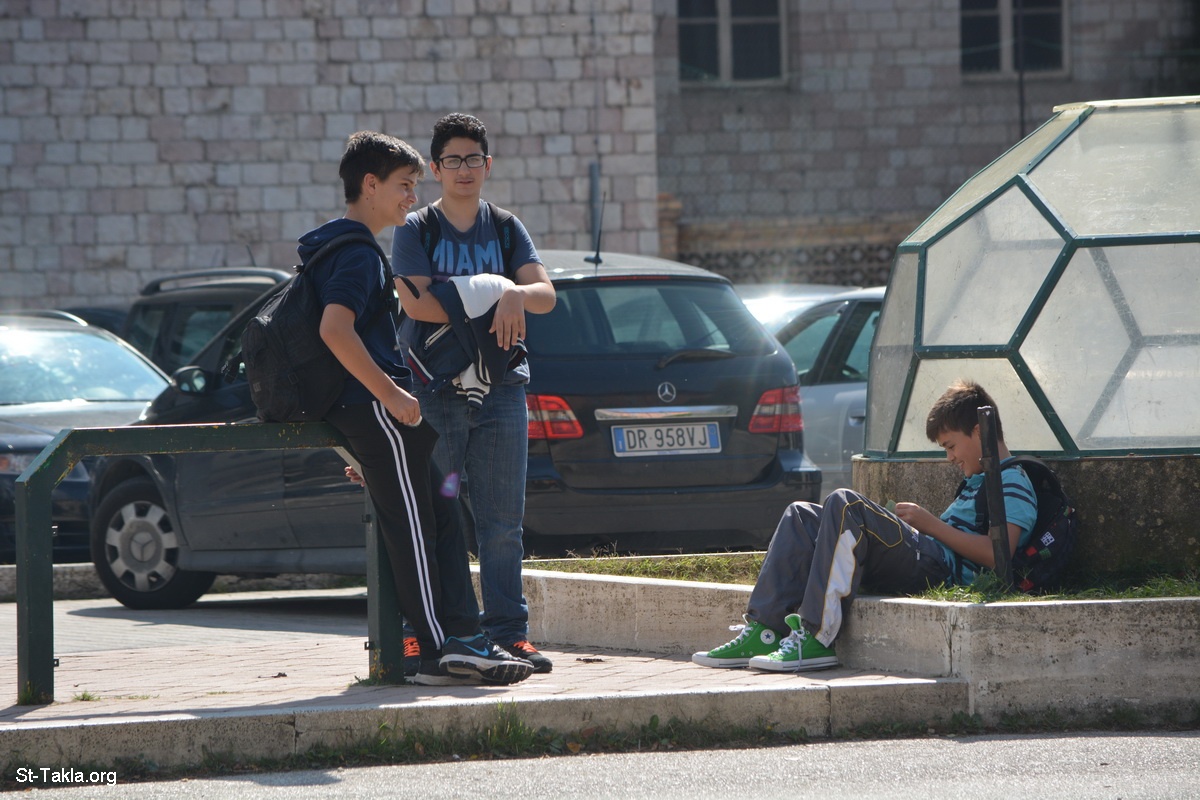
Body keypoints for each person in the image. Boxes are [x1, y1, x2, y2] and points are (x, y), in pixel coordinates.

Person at [304, 130, 533, 687]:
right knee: (417, 530)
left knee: (445, 519)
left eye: (413, 185)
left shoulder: (343, 245)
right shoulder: (360, 253)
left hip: (385, 411)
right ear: (370, 185)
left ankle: (467, 639)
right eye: (405, 185)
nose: (412, 196)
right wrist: (389, 395)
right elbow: (335, 330)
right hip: (384, 407)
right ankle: (434, 649)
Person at [692, 380, 1038, 672]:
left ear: (978, 431)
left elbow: (999, 555)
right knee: (801, 515)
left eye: (951, 446)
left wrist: (930, 525)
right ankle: (766, 630)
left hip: (940, 569)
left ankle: (817, 638)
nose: (949, 457)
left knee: (847, 503)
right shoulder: (979, 481)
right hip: (927, 556)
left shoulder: (1012, 482)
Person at [390, 113, 557, 674]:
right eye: (452, 160)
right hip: (434, 390)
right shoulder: (417, 229)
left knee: (502, 523)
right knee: (433, 518)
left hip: (503, 387)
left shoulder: (506, 227)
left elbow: (545, 295)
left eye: (474, 159)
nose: (464, 169)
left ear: (488, 165)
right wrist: (491, 295)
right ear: (435, 168)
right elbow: (415, 304)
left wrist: (513, 294)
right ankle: (422, 636)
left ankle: (509, 633)